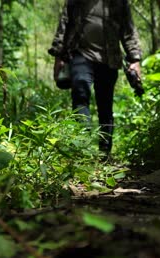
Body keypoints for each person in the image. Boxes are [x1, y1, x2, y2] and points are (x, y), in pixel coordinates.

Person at [48, 0, 142, 155]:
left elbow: (128, 30)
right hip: (80, 53)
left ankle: (104, 150)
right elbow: (64, 24)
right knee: (80, 90)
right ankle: (81, 144)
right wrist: (58, 56)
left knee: (105, 104)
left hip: (109, 58)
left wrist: (135, 59)